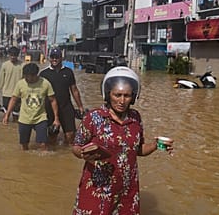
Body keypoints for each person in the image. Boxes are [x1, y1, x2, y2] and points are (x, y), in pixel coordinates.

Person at [72, 66, 174, 214]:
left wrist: (157, 145)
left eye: (126, 96)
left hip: (127, 189)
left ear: (133, 96)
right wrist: (83, 153)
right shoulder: (93, 117)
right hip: (98, 188)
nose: (121, 101)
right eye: (117, 95)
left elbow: (137, 149)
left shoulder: (135, 118)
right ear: (108, 94)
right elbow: (76, 146)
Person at [2, 63, 61, 151]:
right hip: (24, 119)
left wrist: (56, 118)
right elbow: (13, 99)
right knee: (24, 145)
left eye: (31, 76)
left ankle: (45, 162)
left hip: (40, 118)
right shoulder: (20, 84)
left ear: (36, 74)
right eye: (26, 76)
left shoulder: (45, 83)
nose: (29, 79)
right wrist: (7, 115)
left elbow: (53, 100)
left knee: (43, 144)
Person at [39, 48, 85, 145]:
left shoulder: (68, 72)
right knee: (52, 136)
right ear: (49, 58)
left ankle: (66, 153)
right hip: (49, 108)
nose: (54, 59)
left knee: (70, 135)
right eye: (52, 57)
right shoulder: (43, 74)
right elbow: (39, 93)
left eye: (57, 57)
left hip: (66, 107)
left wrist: (80, 106)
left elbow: (74, 90)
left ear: (61, 58)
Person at [0, 46, 23, 121]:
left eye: (14, 55)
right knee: (6, 115)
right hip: (6, 94)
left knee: (16, 116)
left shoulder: (22, 65)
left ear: (17, 55)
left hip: (18, 95)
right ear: (8, 55)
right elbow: (1, 80)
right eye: (11, 55)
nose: (13, 57)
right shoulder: (4, 65)